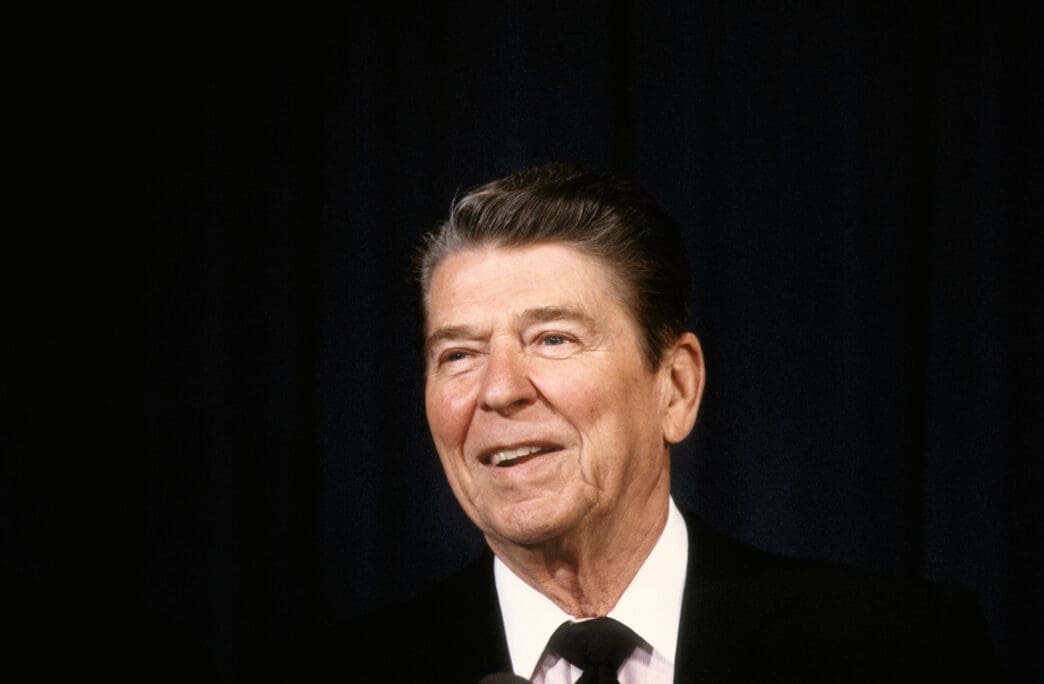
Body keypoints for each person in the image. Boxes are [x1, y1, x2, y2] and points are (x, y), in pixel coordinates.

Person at [324, 163, 1003, 682]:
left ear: (675, 387)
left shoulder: (903, 651)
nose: (499, 390)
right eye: (459, 354)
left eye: (553, 339)